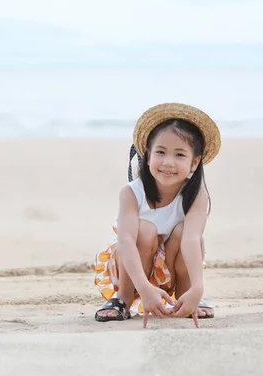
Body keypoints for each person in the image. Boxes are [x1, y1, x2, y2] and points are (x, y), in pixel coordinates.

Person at [93, 103, 221, 328]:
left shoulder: (196, 195)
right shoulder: (132, 192)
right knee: (146, 229)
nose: (168, 162)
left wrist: (197, 287)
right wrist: (143, 288)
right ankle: (123, 298)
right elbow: (125, 242)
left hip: (170, 266)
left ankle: (187, 295)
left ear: (194, 162)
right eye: (160, 152)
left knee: (186, 233)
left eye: (179, 154)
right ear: (148, 155)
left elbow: (191, 241)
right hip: (131, 267)